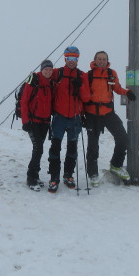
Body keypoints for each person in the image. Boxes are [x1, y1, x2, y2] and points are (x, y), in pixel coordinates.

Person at [84, 50, 136, 187]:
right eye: (99, 59)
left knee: (123, 139)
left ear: (107, 61)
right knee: (93, 146)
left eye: (104, 59)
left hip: (108, 112)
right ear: (94, 60)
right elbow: (82, 94)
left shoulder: (111, 74)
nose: (102, 61)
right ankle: (93, 174)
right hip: (91, 114)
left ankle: (116, 165)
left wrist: (127, 93)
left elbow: (117, 88)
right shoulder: (88, 75)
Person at [47, 46, 91, 193]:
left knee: (72, 149)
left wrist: (81, 87)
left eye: (74, 58)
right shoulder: (57, 73)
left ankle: (68, 175)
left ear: (78, 59)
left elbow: (86, 98)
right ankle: (54, 177)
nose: (71, 61)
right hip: (59, 117)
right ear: (65, 58)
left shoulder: (82, 76)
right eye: (69, 58)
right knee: (55, 148)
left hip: (75, 118)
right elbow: (43, 75)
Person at [20, 59, 54, 191]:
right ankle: (30, 177)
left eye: (50, 69)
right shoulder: (33, 80)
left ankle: (35, 175)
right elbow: (24, 101)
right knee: (38, 148)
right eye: (46, 69)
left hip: (45, 122)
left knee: (37, 150)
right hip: (33, 121)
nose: (48, 71)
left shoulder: (50, 83)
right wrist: (25, 121)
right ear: (42, 70)